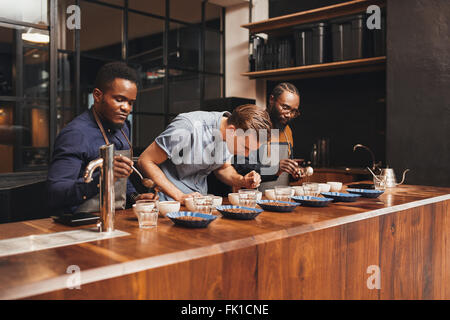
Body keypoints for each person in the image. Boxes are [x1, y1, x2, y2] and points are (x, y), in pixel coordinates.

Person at [47, 62, 157, 215]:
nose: (126, 108)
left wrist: (136, 197)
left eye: (130, 102)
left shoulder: (124, 128)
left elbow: (121, 179)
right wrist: (103, 177)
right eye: (119, 99)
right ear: (98, 95)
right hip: (83, 223)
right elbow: (56, 194)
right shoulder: (76, 134)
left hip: (116, 217)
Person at [137, 104, 272, 203]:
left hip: (199, 204)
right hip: (166, 203)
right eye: (245, 147)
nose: (247, 154)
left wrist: (242, 181)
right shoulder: (188, 127)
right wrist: (179, 196)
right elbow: (145, 161)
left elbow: (223, 168)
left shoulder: (231, 136)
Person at [230, 83, 302, 193]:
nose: (289, 115)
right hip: (254, 199)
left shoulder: (288, 131)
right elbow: (240, 166)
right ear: (272, 100)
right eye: (285, 108)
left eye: (293, 111)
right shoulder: (253, 126)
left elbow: (284, 171)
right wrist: (273, 169)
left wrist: (294, 173)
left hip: (281, 199)